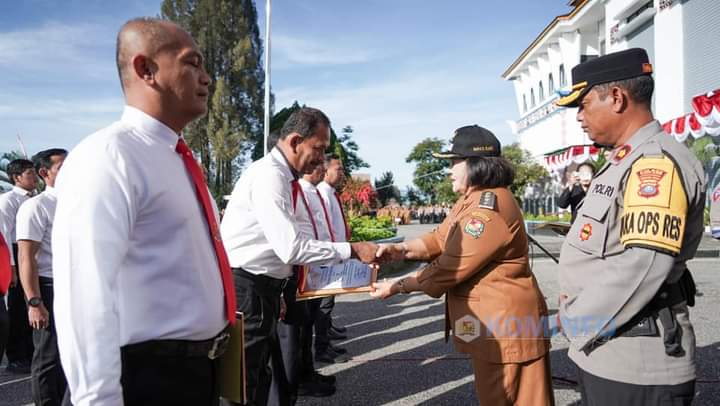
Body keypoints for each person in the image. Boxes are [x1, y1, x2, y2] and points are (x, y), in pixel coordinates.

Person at [52, 17, 236, 406]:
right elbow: (84, 294)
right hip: (143, 380)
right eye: (193, 62)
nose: (207, 78)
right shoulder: (108, 156)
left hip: (193, 374)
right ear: (145, 69)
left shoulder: (176, 159)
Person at [554, 48, 705, 405]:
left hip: (636, 363)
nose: (579, 117)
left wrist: (576, 319)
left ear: (617, 98)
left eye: (584, 103)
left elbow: (644, 263)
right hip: (610, 350)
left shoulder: (654, 164)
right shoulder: (625, 161)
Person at [371, 125, 554, 406]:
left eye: (454, 162)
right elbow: (440, 238)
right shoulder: (470, 200)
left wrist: (397, 286)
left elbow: (449, 267)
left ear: (476, 165)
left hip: (505, 329)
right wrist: (400, 249)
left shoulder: (486, 210)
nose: (449, 170)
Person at [220, 107, 377, 406]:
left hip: (262, 287)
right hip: (246, 288)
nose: (321, 158)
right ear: (294, 141)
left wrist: (278, 285)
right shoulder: (270, 176)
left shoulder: (283, 176)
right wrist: (353, 250)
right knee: (243, 383)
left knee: (260, 376)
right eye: (318, 148)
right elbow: (291, 246)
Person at [16, 148, 68, 406]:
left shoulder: (79, 202)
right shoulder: (36, 207)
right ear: (44, 173)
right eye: (62, 167)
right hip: (48, 288)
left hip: (75, 287)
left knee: (73, 355)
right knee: (48, 357)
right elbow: (27, 258)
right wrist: (35, 303)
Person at [0, 158, 38, 374]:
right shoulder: (9, 201)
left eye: (34, 173)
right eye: (29, 174)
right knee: (16, 308)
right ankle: (16, 357)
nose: (34, 178)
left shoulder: (35, 199)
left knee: (31, 306)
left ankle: (31, 352)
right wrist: (12, 267)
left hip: (32, 252)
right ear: (16, 177)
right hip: (14, 253)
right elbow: (4, 234)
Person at [315, 155, 351, 361]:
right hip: (328, 257)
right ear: (326, 170)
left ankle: (326, 335)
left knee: (329, 302)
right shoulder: (322, 193)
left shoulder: (330, 193)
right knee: (324, 304)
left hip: (336, 254)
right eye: (338, 169)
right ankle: (322, 346)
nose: (342, 173)